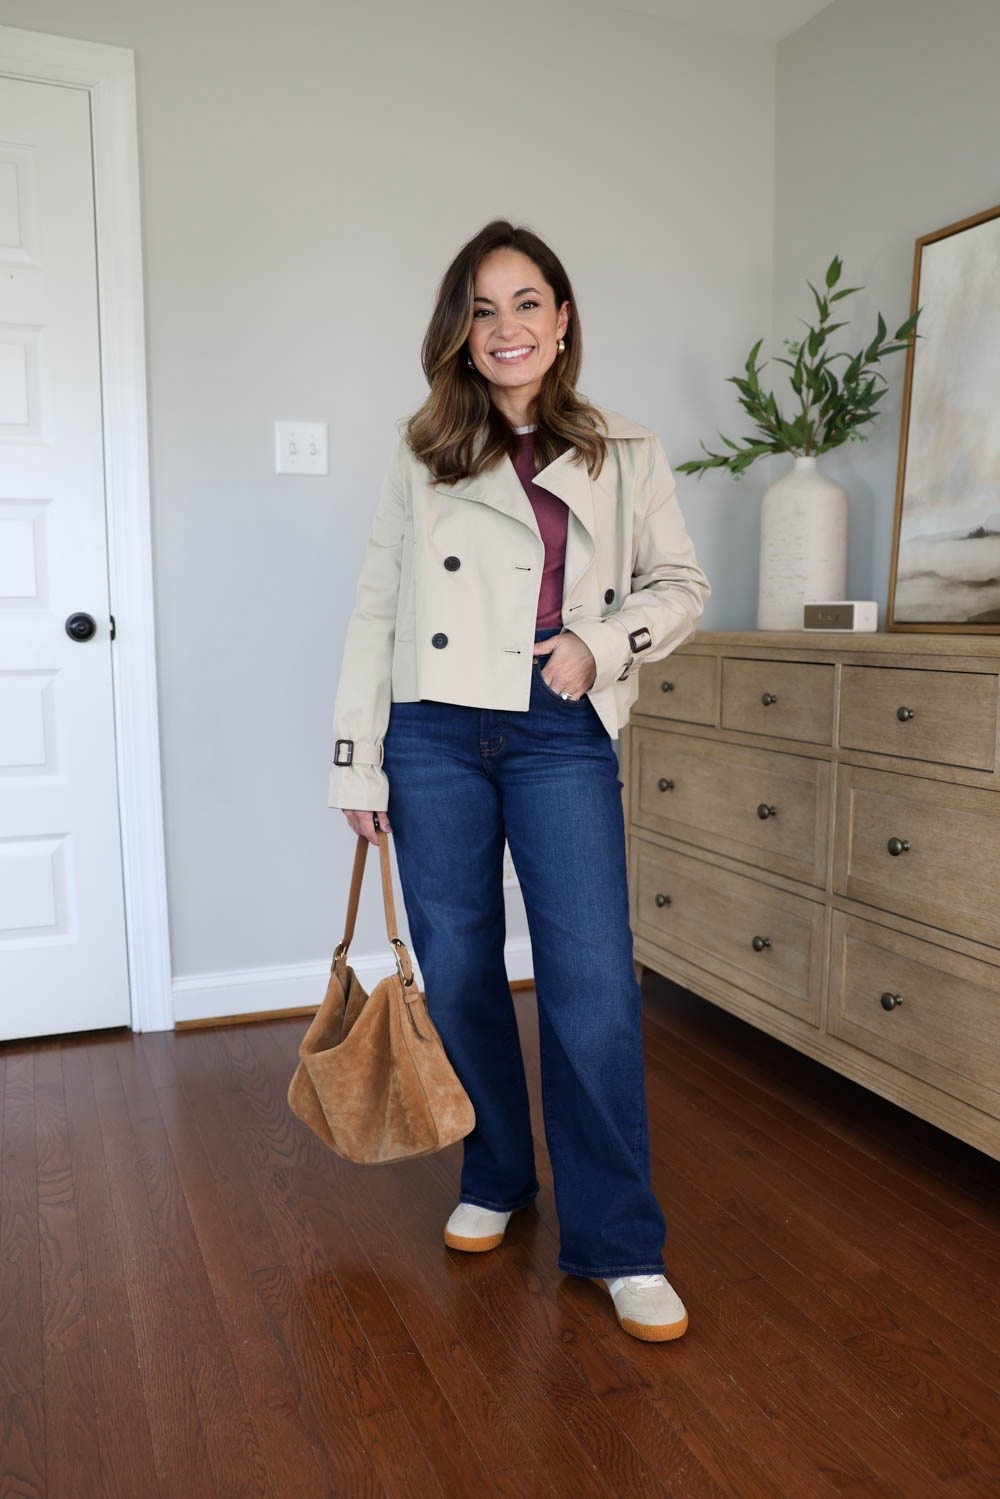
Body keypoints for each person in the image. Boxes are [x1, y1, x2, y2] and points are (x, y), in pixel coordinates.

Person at [328, 220, 709, 1342]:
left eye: (527, 302)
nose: (508, 328)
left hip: (557, 725)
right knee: (458, 972)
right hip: (433, 732)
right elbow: (379, 604)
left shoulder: (625, 448)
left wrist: (604, 640)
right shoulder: (422, 448)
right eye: (484, 309)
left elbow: (679, 581)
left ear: (563, 317)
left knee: (592, 983)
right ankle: (497, 1172)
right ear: (461, 330)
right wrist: (359, 753)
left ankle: (620, 1241)